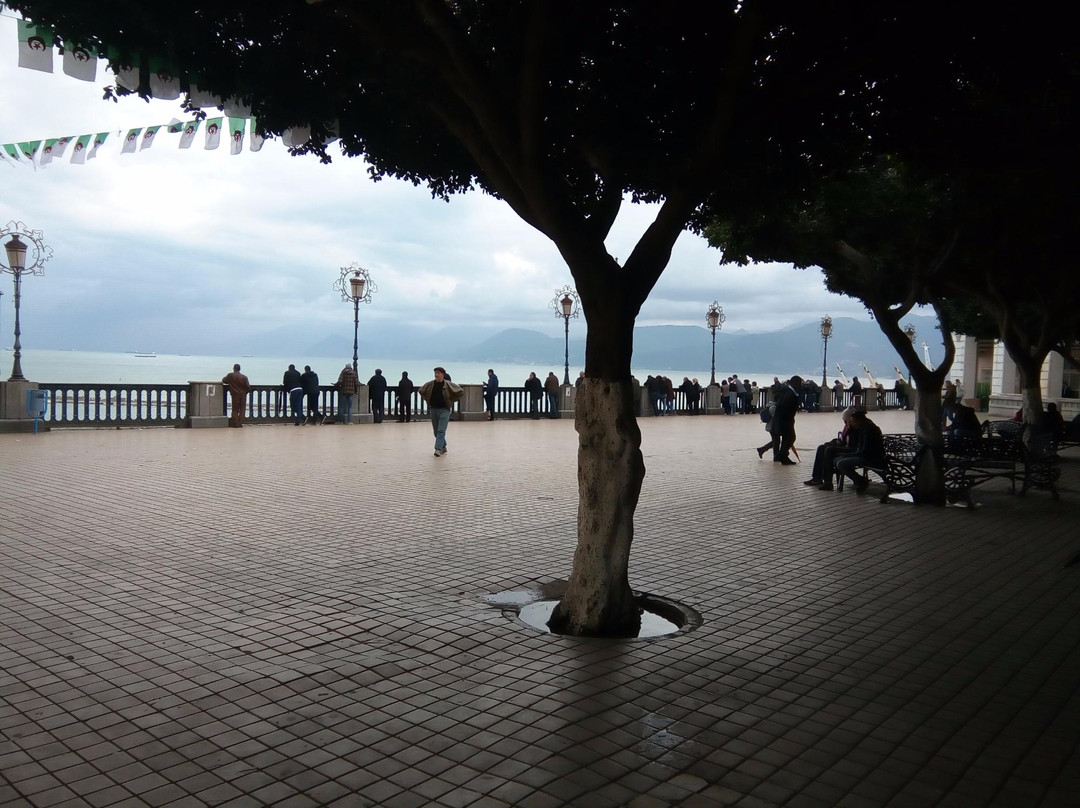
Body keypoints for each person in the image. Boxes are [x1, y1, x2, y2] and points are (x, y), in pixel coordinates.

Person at [804, 407, 858, 489]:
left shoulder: (854, 428)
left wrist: (838, 444)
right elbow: (844, 440)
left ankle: (827, 481)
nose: (844, 422)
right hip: (847, 447)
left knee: (829, 450)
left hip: (851, 449)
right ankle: (817, 478)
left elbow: (851, 444)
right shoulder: (847, 427)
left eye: (845, 420)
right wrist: (836, 442)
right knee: (821, 448)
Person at [835, 410, 886, 493]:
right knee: (837, 460)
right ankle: (859, 480)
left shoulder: (868, 430)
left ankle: (860, 481)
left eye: (853, 422)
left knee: (841, 463)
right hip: (865, 454)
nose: (852, 424)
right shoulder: (863, 428)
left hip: (871, 457)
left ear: (859, 421)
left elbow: (864, 450)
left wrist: (848, 455)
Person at [420, 366, 463, 456]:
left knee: (441, 430)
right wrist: (427, 399)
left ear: (443, 374)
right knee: (436, 431)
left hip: (444, 410)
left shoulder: (448, 384)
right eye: (435, 373)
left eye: (438, 373)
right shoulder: (430, 384)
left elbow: (460, 391)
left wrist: (451, 399)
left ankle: (438, 449)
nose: (436, 375)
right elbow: (421, 391)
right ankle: (443, 447)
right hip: (434, 409)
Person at [771, 376, 803, 465]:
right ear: (795, 383)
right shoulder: (790, 392)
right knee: (791, 437)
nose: (800, 386)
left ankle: (784, 457)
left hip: (785, 418)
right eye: (799, 384)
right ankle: (781, 455)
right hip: (785, 419)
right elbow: (784, 406)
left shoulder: (789, 390)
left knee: (786, 438)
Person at [222, 363, 251, 428]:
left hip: (235, 394)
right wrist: (245, 392)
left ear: (234, 368)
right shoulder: (244, 377)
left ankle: (235, 423)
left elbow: (224, 380)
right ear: (240, 369)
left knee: (235, 409)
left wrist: (230, 383)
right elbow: (248, 387)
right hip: (243, 395)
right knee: (242, 409)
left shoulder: (230, 375)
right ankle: (240, 423)